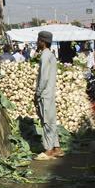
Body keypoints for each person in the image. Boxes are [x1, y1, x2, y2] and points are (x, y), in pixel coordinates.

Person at [33, 30, 62, 160]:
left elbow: (43, 78)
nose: (37, 42)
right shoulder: (51, 55)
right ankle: (57, 148)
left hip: (45, 94)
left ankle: (48, 150)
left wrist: (37, 93)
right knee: (51, 120)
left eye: (38, 40)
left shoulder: (45, 56)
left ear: (42, 42)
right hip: (50, 92)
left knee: (46, 122)